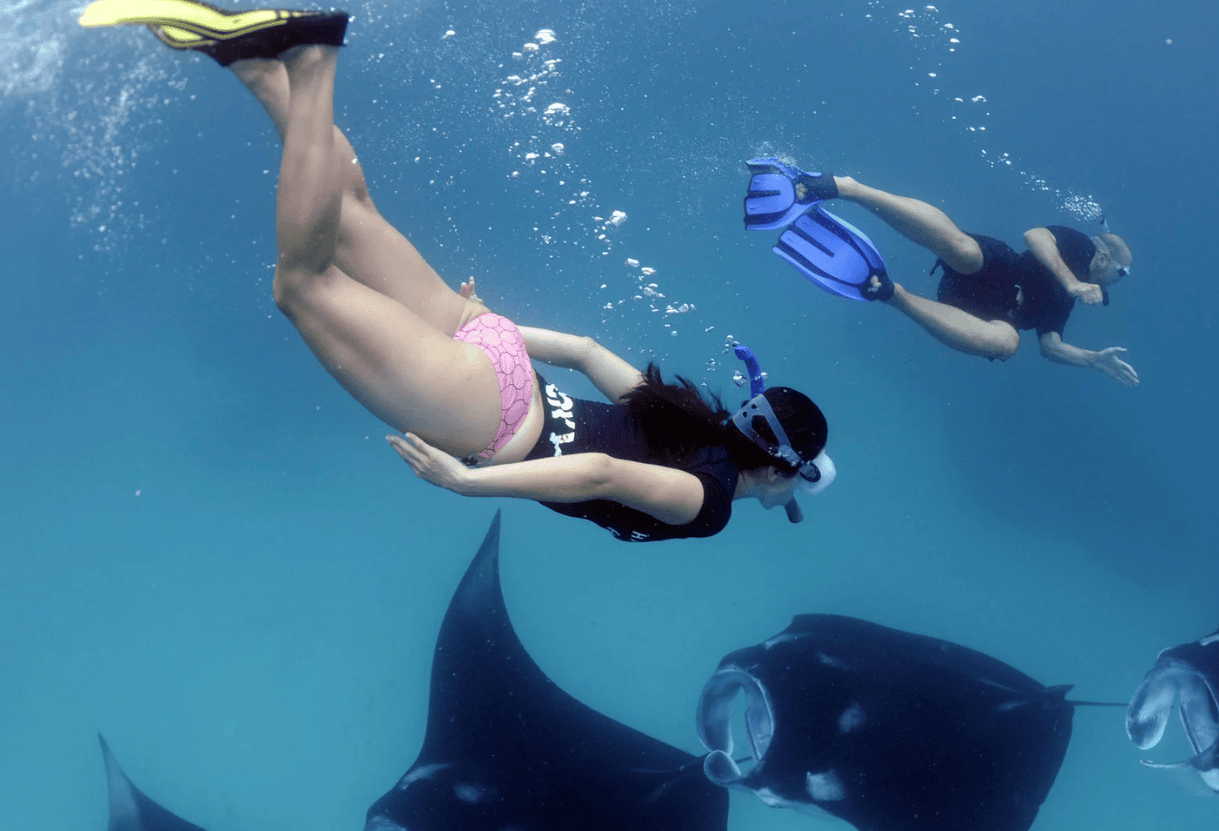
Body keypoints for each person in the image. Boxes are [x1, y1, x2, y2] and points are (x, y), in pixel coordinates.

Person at [78, 0, 833, 542]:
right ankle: (311, 61)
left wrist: (484, 325)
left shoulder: (688, 413)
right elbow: (600, 473)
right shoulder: (711, 504)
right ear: (783, 471)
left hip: (496, 354)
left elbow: (576, 350)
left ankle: (251, 63)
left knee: (352, 213)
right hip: (493, 421)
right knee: (302, 286)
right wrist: (471, 483)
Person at [742, 160, 1138, 387]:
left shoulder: (1068, 301)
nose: (1115, 283)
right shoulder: (1082, 249)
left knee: (1009, 343)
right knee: (964, 250)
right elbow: (1035, 236)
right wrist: (1071, 279)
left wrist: (1092, 359)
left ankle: (888, 292)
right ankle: (843, 187)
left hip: (976, 311)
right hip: (998, 268)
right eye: (1122, 274)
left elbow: (1050, 346)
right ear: (1105, 259)